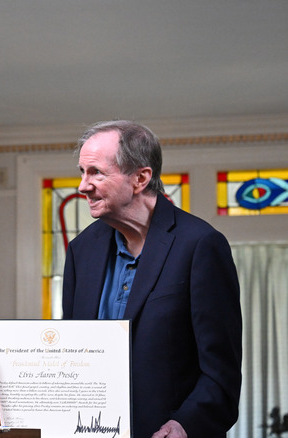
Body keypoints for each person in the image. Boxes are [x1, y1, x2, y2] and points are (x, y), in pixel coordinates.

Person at [62, 120, 242, 438]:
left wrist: (185, 424)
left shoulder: (201, 245)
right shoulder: (81, 250)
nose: (82, 186)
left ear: (140, 178)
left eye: (96, 173)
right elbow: (73, 357)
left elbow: (221, 373)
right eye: (82, 172)